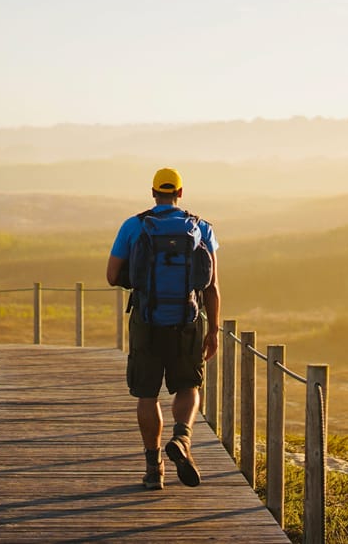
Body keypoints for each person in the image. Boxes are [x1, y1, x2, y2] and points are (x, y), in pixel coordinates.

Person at [106, 167, 220, 490]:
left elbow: (112, 276)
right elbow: (211, 287)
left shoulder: (134, 226)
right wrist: (212, 331)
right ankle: (182, 438)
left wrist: (140, 281)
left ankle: (154, 467)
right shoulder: (202, 229)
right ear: (180, 194)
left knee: (147, 394)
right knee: (188, 388)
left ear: (153, 192)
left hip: (146, 321)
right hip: (187, 322)